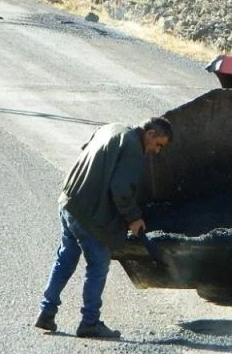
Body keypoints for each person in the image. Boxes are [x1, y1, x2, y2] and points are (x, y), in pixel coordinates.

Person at [35, 117, 173, 339]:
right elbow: (120, 188)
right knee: (98, 265)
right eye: (159, 145)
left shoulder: (110, 129)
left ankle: (46, 312)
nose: (156, 151)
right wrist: (133, 217)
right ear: (150, 134)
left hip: (69, 202)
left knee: (65, 259)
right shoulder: (133, 147)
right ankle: (89, 322)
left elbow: (86, 152)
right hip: (89, 214)